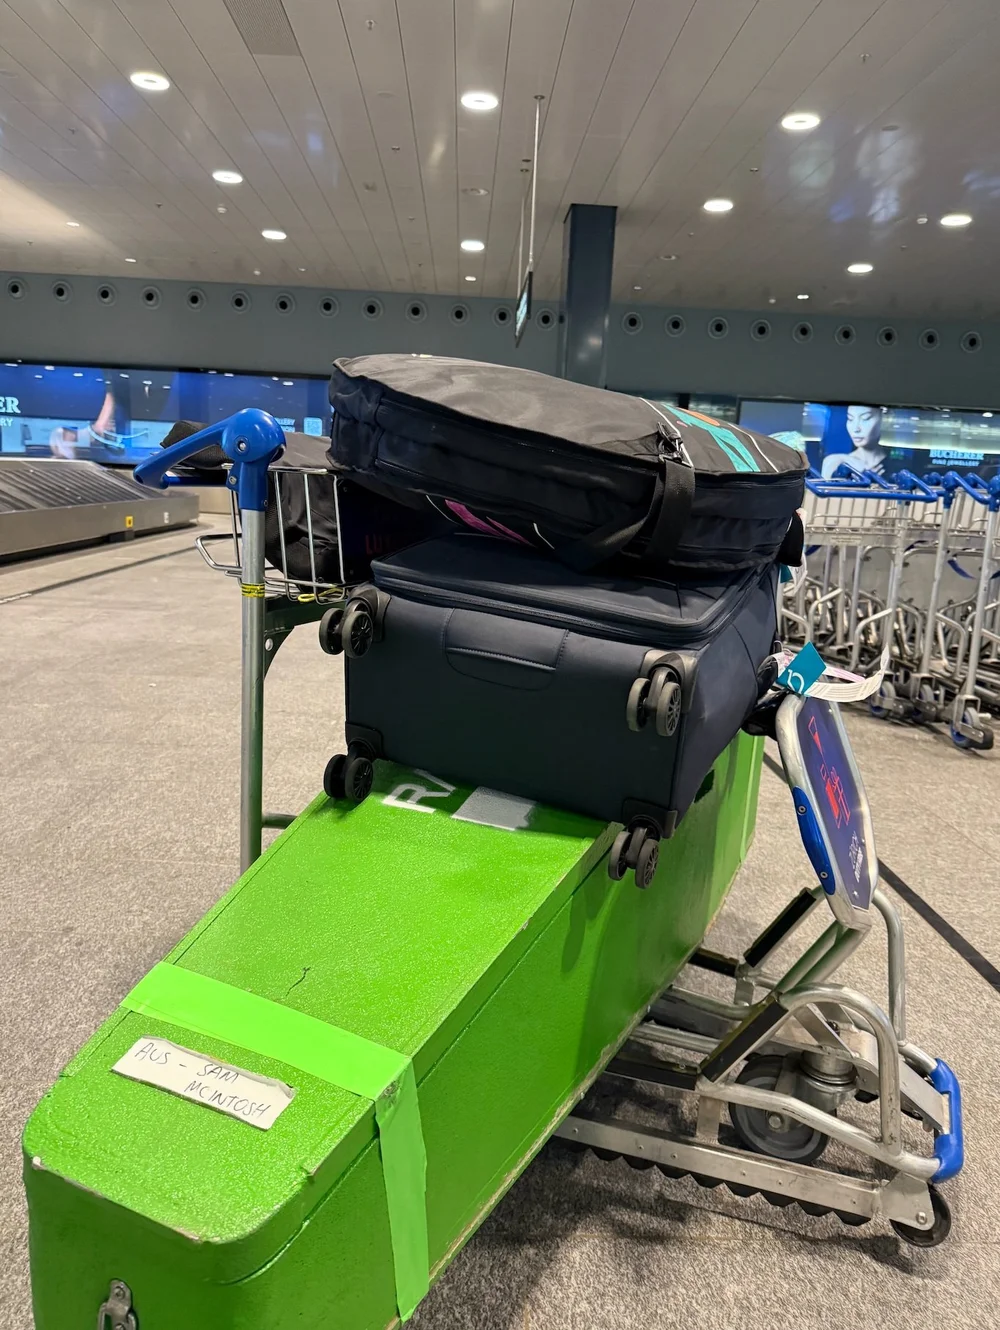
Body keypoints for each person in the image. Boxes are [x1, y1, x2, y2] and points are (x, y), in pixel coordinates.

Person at [821, 404, 888, 478]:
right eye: (850, 419)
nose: (856, 429)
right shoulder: (835, 462)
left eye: (865, 418)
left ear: (883, 419)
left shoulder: (897, 466)